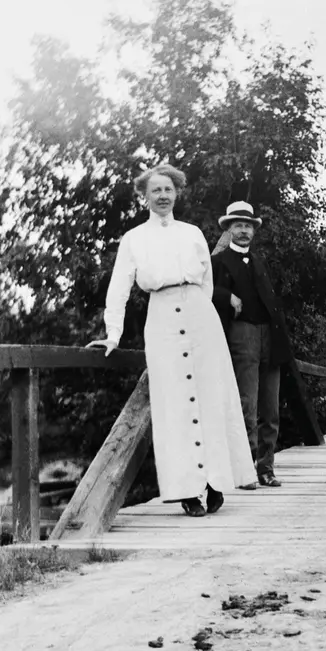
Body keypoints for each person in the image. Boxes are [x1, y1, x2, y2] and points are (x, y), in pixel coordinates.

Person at [87, 164, 256, 517]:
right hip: (162, 316)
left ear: (177, 193)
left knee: (211, 398)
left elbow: (207, 284)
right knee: (174, 404)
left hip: (199, 317)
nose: (162, 196)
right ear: (144, 196)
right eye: (155, 191)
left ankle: (214, 482)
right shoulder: (133, 239)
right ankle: (187, 491)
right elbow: (118, 289)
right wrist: (112, 334)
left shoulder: (192, 232)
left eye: (168, 189)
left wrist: (203, 316)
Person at [210, 201, 294, 489]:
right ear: (228, 229)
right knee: (247, 404)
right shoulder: (218, 262)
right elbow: (200, 288)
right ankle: (245, 471)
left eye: (248, 226)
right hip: (241, 335)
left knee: (270, 407)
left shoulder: (261, 262)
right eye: (238, 225)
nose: (244, 230)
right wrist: (225, 296)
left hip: (270, 338)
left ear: (254, 231)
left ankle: (266, 468)